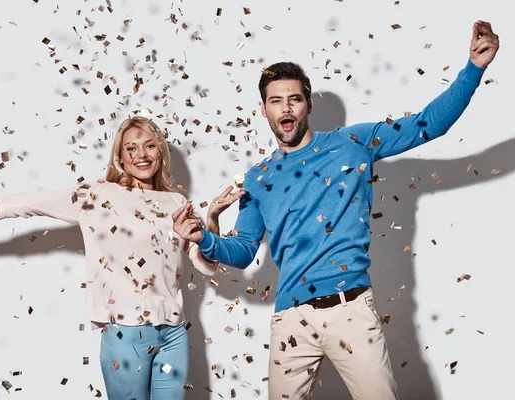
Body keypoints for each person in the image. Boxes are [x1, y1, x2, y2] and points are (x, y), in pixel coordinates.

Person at [173, 20, 500, 399]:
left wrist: (474, 69)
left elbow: (427, 125)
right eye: (276, 101)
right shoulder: (258, 179)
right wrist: (205, 239)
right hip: (291, 319)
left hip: (351, 310)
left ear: (308, 104)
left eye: (293, 99)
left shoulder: (353, 143)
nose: (286, 108)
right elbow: (244, 250)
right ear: (263, 110)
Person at [0, 116, 231, 400]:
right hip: (125, 333)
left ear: (160, 153)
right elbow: (26, 203)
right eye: (131, 148)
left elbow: (205, 264)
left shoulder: (176, 201)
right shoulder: (97, 195)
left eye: (149, 146)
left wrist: (211, 220)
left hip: (173, 334)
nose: (141, 155)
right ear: (120, 158)